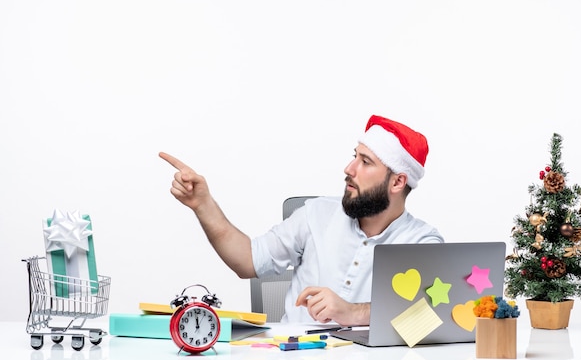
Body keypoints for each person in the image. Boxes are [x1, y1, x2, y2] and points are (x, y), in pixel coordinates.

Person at [160, 115, 443, 326]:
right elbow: (247, 260)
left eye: (365, 162)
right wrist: (202, 204)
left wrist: (353, 312)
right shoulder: (316, 214)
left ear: (398, 182)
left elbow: (430, 317)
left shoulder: (421, 243)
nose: (349, 169)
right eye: (354, 157)